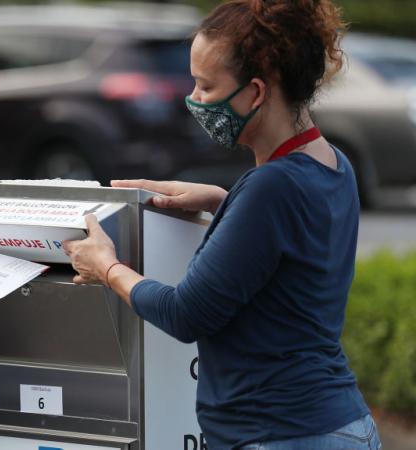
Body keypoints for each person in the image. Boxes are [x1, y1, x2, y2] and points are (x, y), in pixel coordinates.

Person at [63, 1, 381, 449]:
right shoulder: (333, 163)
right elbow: (295, 245)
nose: (194, 98)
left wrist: (106, 267)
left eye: (206, 85)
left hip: (280, 433)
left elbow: (186, 313)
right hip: (338, 424)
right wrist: (224, 201)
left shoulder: (270, 188)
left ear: (256, 92)